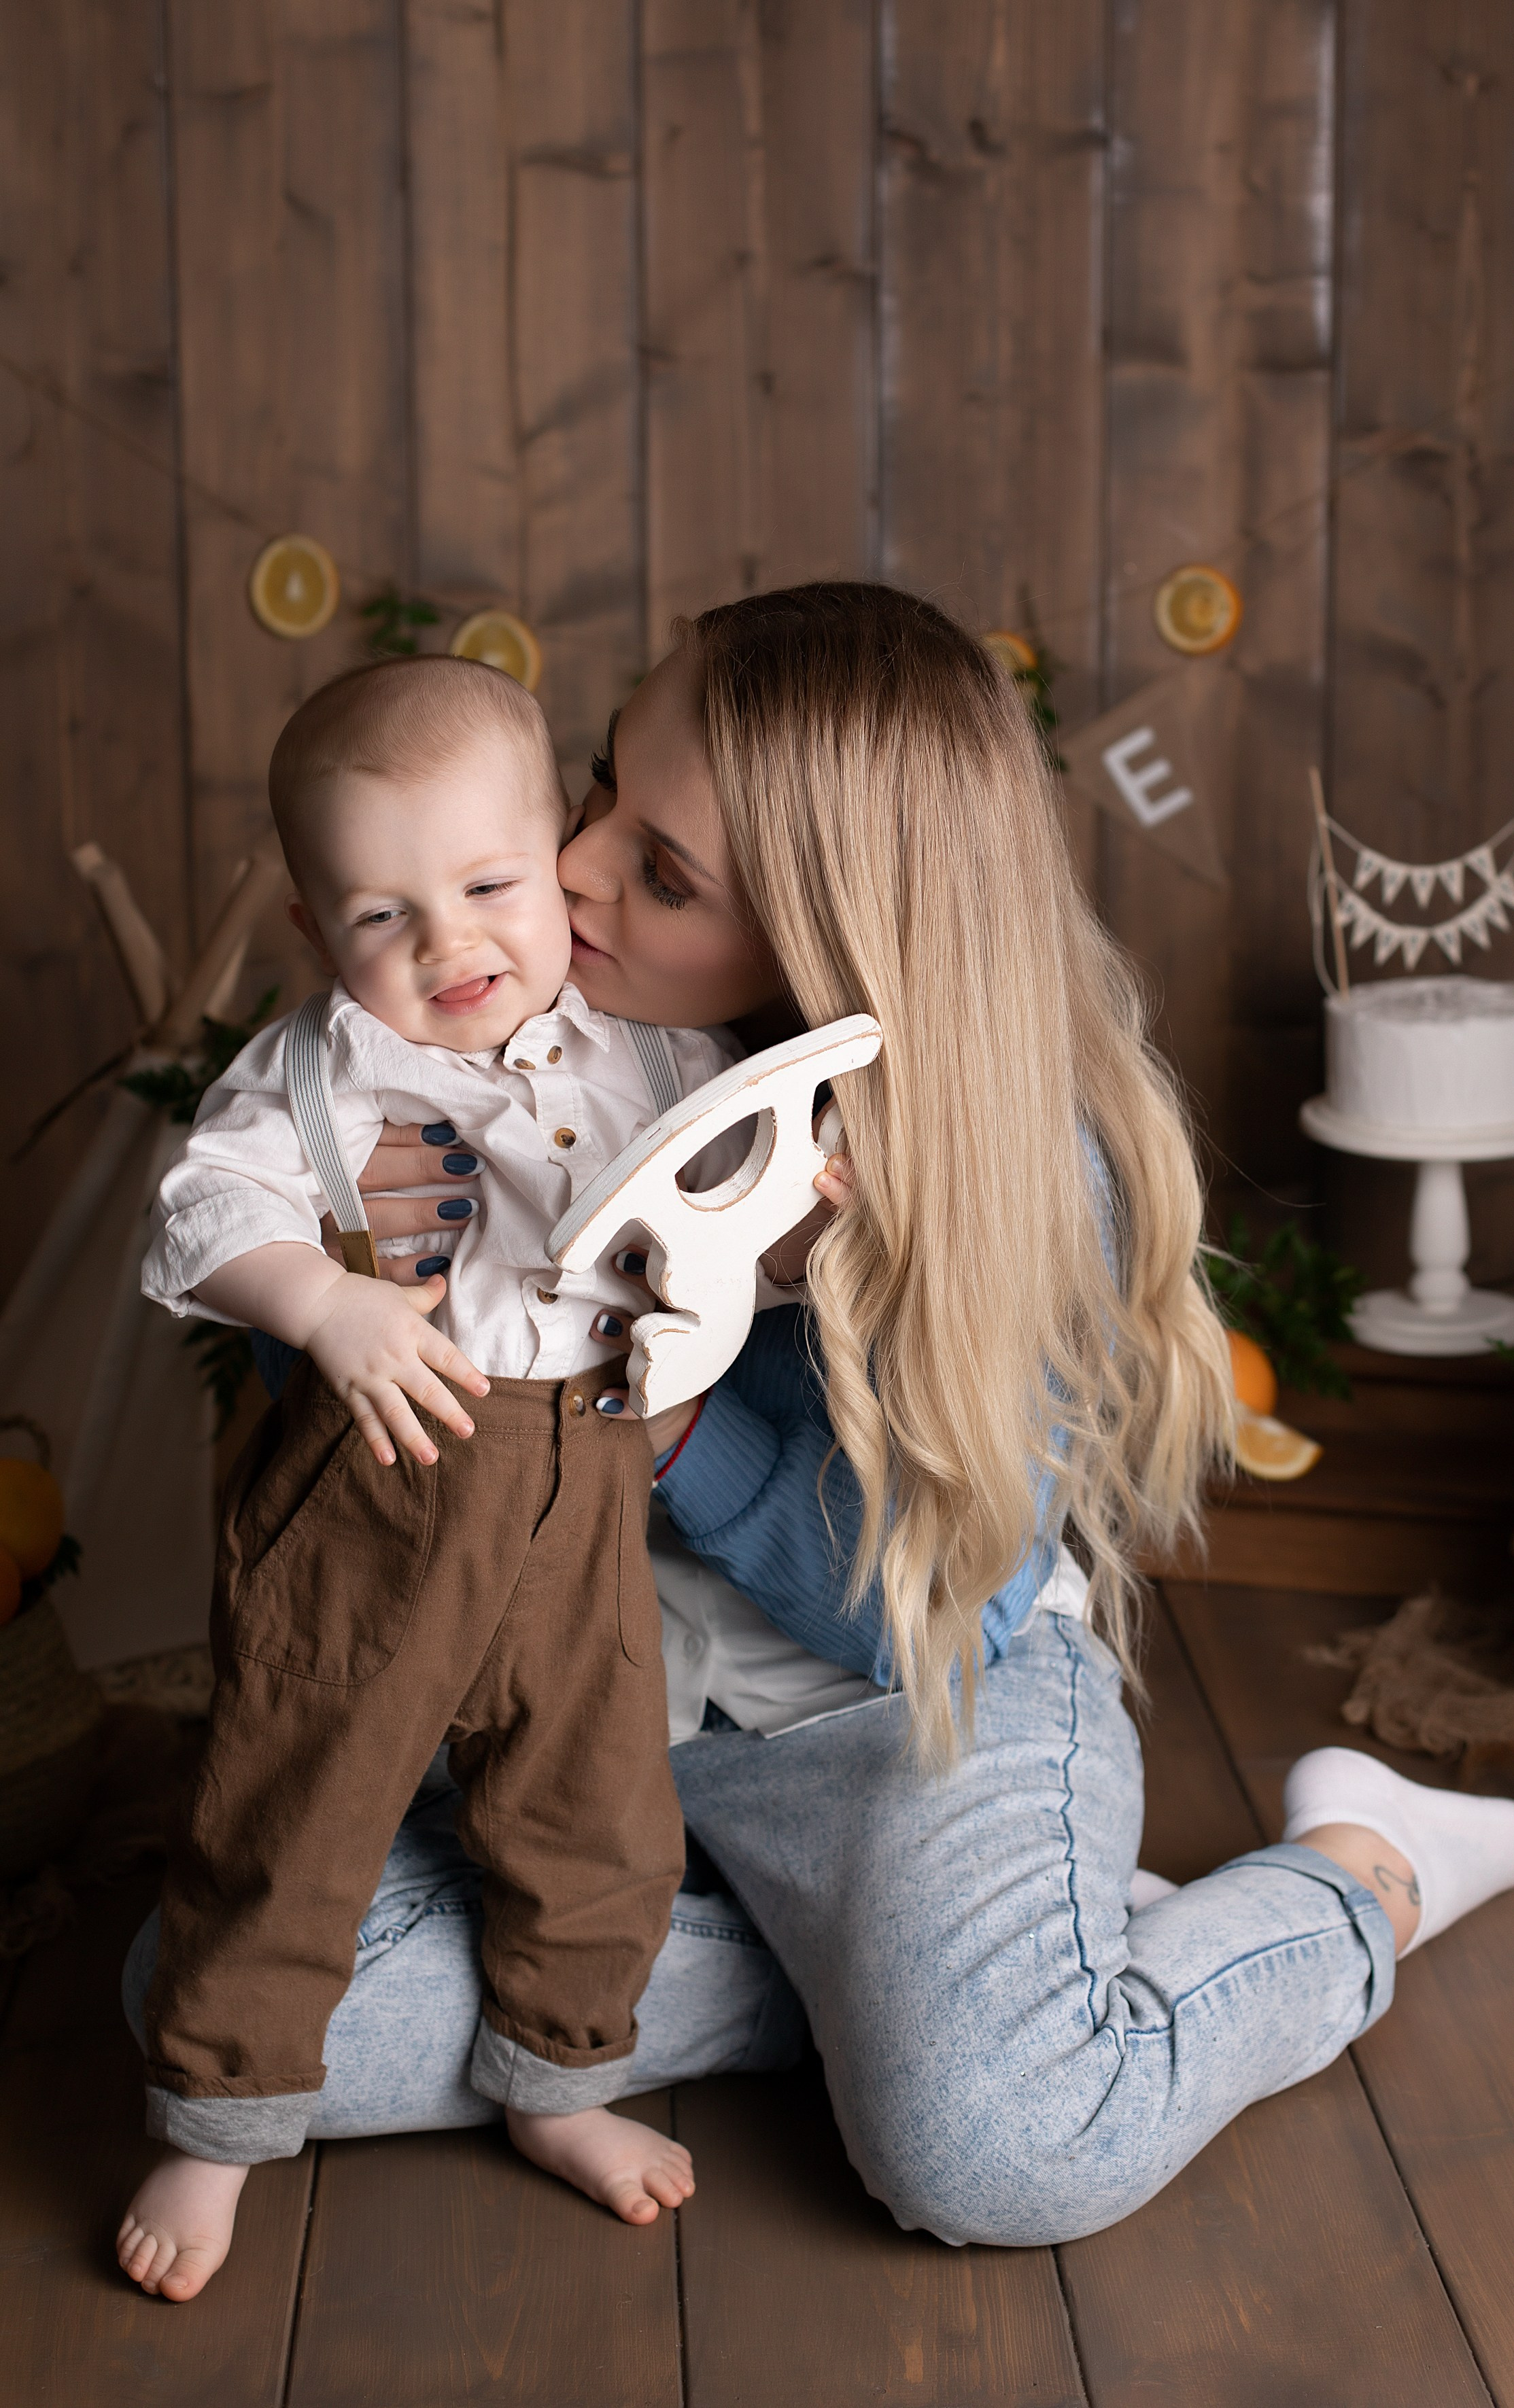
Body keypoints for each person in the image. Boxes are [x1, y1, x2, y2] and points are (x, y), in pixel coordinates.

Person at [124, 582, 1514, 2291]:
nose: (567, 868)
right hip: (585, 1707)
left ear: (826, 939)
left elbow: (940, 1614)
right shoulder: (497, 1037)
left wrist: (679, 1415)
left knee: (1001, 2144)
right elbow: (355, 1433)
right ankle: (904, 1984)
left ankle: (1360, 1867)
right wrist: (352, 1287)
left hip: (892, 1712)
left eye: (661, 871)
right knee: (203, 2005)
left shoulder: (995, 1167)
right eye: (600, 786)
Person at [120, 654, 757, 2301]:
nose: (448, 943)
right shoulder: (320, 1072)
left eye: (486, 886)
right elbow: (201, 1209)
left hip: (586, 1487)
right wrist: (319, 1301)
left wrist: (808, 1212)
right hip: (380, 1488)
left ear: (558, 861)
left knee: (596, 1806)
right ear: (315, 927)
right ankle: (218, 2114)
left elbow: (733, 1200)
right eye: (381, 915)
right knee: (296, 1798)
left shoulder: (647, 1051)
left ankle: (562, 2075)